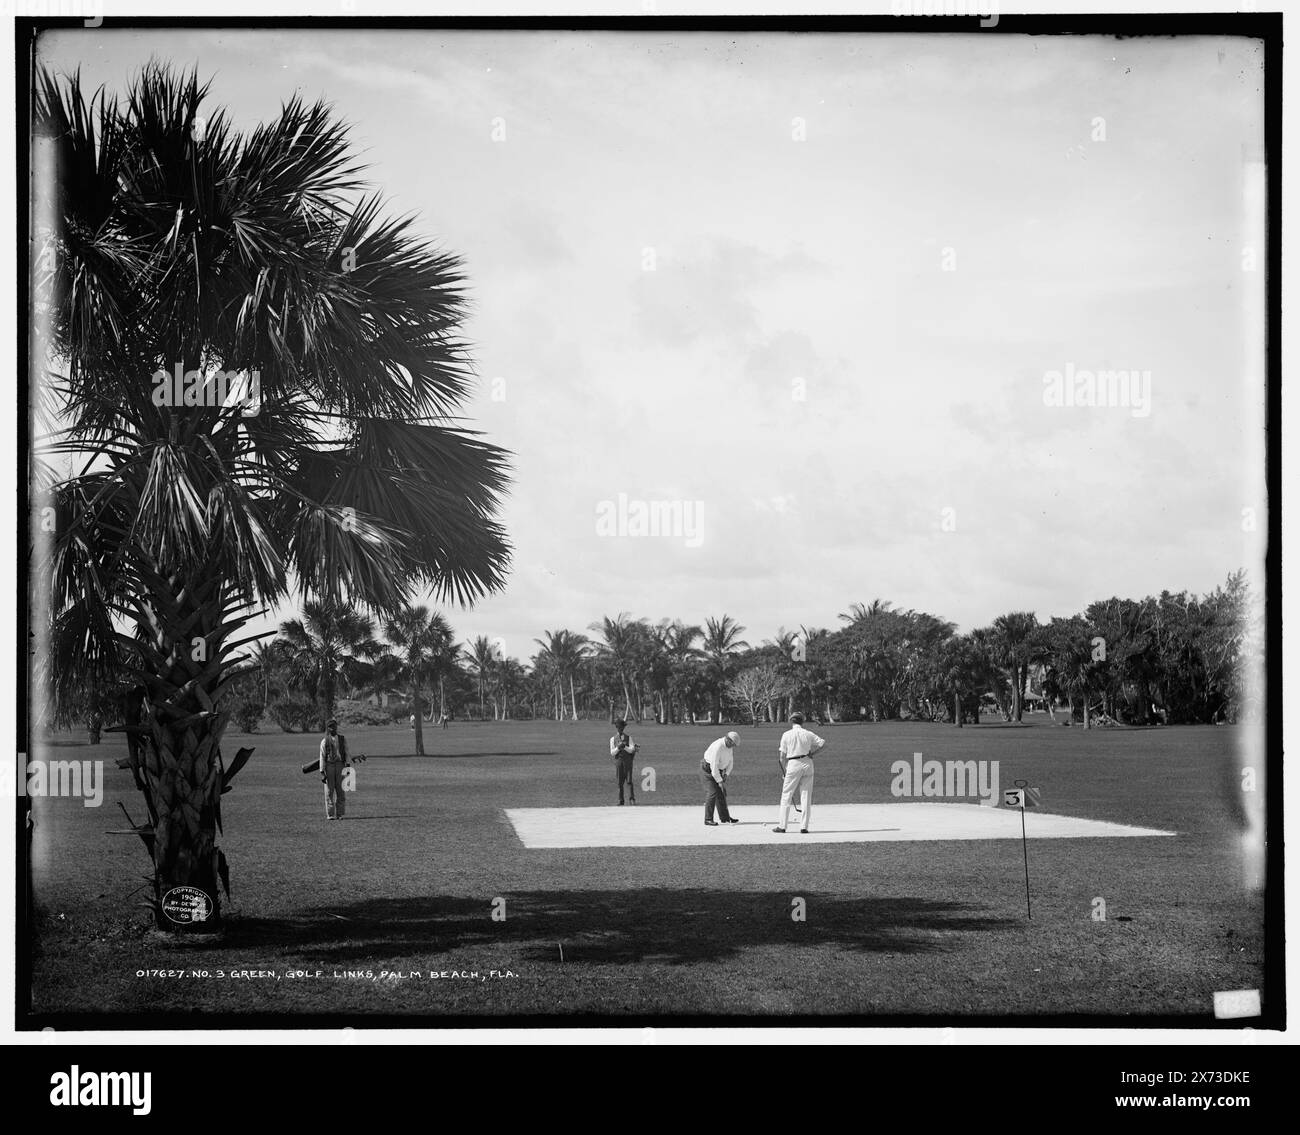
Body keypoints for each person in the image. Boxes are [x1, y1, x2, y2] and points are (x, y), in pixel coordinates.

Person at [773, 712, 827, 833]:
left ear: (791, 721)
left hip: (793, 764)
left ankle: (782, 826)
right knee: (806, 796)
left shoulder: (786, 735)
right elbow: (823, 744)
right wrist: (813, 753)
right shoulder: (808, 733)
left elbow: (782, 757)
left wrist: (784, 771)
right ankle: (804, 827)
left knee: (786, 795)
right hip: (807, 763)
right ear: (802, 721)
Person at [702, 731, 741, 826]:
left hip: (718, 771)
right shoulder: (718, 747)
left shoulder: (729, 746)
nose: (733, 747)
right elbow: (713, 767)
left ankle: (725, 818)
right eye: (733, 744)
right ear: (728, 740)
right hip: (708, 770)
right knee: (712, 793)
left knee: (721, 794)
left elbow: (730, 761)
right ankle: (708, 819)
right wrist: (720, 782)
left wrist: (726, 774)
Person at [320, 718, 353, 820]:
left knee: (340, 790)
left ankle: (340, 814)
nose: (332, 728)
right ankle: (330, 814)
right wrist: (322, 772)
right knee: (329, 791)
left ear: (336, 726)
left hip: (340, 765)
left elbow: (347, 752)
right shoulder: (325, 740)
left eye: (334, 726)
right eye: (330, 726)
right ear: (328, 728)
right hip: (329, 766)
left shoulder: (342, 739)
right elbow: (322, 756)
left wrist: (348, 766)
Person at [610, 718, 638, 805]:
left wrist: (624, 747)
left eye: (622, 727)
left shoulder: (629, 738)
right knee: (620, 782)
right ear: (617, 728)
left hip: (628, 761)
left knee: (629, 780)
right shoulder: (612, 739)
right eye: (619, 727)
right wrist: (618, 748)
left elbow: (632, 750)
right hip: (619, 761)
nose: (621, 729)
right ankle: (620, 800)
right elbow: (612, 752)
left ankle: (631, 799)